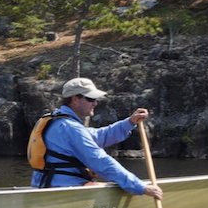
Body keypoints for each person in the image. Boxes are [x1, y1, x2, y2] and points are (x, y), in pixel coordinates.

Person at [28, 77, 163, 200]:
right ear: (75, 99)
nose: (95, 103)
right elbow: (100, 161)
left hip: (45, 188)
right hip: (61, 193)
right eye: (91, 99)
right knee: (106, 185)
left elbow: (99, 136)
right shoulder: (71, 128)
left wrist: (130, 122)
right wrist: (140, 187)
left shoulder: (58, 121)